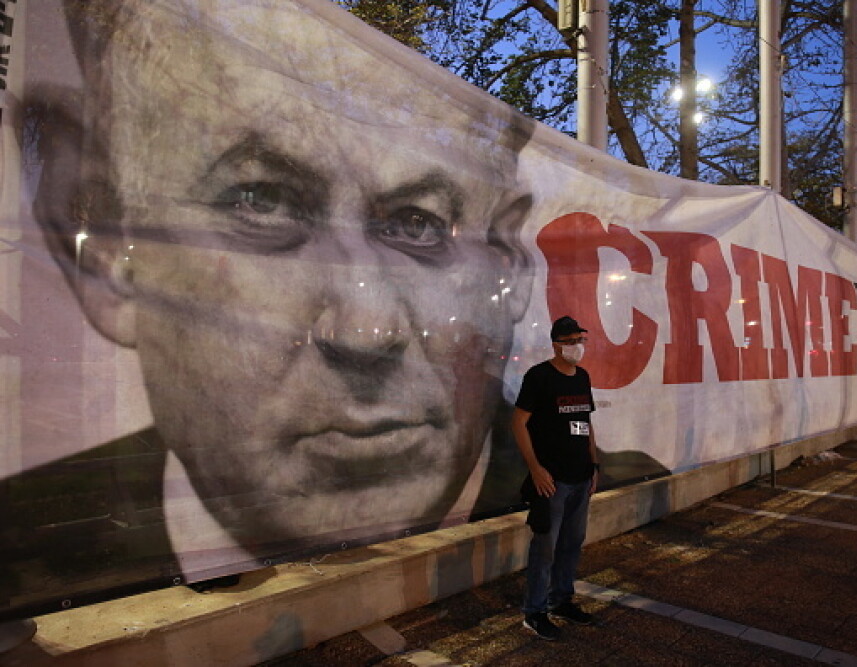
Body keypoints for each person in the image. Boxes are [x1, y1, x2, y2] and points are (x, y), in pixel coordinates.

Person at [2, 0, 666, 622]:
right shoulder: (24, 542)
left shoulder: (38, 552)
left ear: (505, 258)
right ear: (105, 251)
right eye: (258, 201)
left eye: (418, 223)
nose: (365, 326)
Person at [512, 316, 600, 641]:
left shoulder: (582, 378)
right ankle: (534, 612)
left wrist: (594, 465)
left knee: (571, 545)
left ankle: (561, 600)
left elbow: (584, 423)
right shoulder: (539, 377)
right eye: (572, 341)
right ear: (557, 344)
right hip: (552, 481)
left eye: (581, 340)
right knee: (545, 549)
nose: (578, 347)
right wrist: (535, 468)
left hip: (580, 477)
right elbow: (518, 423)